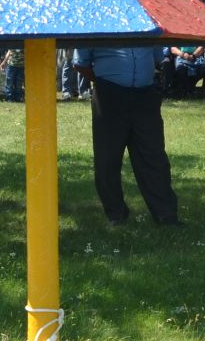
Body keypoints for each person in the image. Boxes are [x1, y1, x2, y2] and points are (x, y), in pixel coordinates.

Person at [73, 44, 178, 226]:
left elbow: (157, 57)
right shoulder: (96, 22)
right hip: (109, 95)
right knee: (108, 157)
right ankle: (116, 214)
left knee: (154, 157)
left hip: (146, 95)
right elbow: (80, 63)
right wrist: (101, 82)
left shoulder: (148, 22)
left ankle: (166, 216)